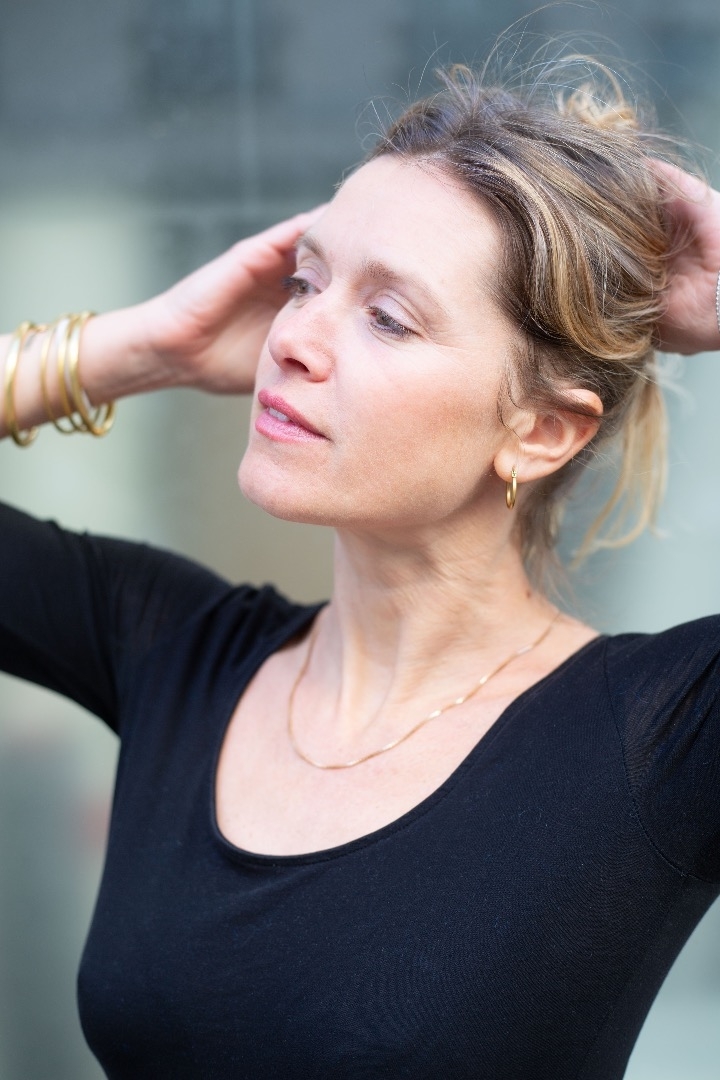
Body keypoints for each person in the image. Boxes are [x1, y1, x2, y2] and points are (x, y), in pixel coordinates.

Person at [1, 61, 720, 1079]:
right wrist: (144, 347)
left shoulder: (664, 734)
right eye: (305, 282)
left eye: (388, 317)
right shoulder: (175, 650)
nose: (293, 338)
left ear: (541, 431)